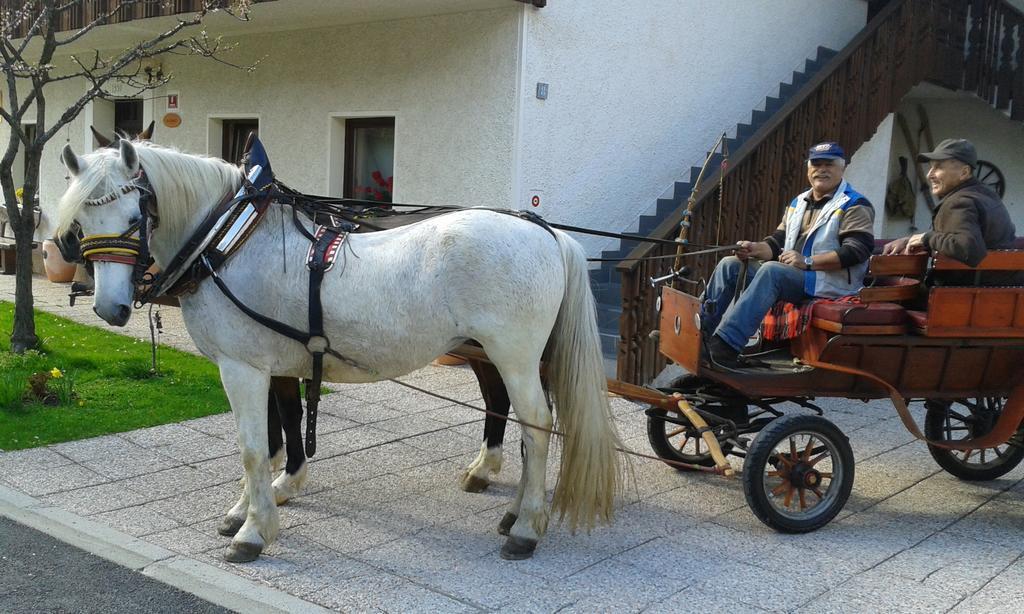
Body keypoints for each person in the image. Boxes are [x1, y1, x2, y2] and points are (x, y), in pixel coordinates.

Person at [702, 142, 875, 370]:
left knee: (772, 271)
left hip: (830, 283)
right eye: (816, 164)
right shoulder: (798, 202)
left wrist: (807, 263)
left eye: (829, 164)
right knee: (730, 264)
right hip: (795, 277)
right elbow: (776, 244)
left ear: (842, 168)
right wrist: (753, 248)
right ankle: (699, 335)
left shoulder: (855, 204)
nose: (821, 169)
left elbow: (857, 251)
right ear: (808, 169)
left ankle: (725, 346)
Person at [882, 138, 1021, 286]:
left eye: (938, 167)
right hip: (999, 290)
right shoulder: (986, 195)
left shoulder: (959, 202)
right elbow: (959, 238)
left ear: (964, 172)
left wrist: (927, 238)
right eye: (930, 167)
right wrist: (913, 240)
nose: (929, 174)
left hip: (966, 297)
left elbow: (967, 248)